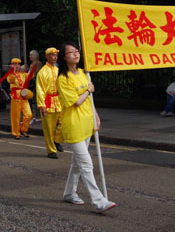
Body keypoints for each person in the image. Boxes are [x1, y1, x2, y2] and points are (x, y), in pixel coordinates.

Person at [56, 42, 116, 213]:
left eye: (77, 51)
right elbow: (76, 101)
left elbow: (89, 101)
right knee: (86, 163)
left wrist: (95, 116)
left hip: (86, 123)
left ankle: (69, 193)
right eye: (71, 52)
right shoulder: (63, 79)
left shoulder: (84, 73)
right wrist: (88, 90)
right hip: (73, 125)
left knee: (77, 164)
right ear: (64, 57)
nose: (75, 54)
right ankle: (98, 201)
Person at [37, 47, 64, 158]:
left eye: (56, 55)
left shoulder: (58, 70)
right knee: (49, 128)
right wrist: (42, 105)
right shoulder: (42, 72)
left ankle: (57, 140)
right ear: (47, 56)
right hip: (47, 101)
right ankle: (51, 151)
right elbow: (40, 90)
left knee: (64, 122)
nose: (55, 57)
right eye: (52, 55)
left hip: (58, 101)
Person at [28, 50, 43, 121]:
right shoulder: (31, 64)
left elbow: (38, 73)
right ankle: (33, 115)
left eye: (31, 55)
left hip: (35, 82)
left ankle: (38, 116)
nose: (29, 57)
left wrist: (32, 70)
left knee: (37, 99)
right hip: (31, 83)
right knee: (32, 99)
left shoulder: (38, 63)